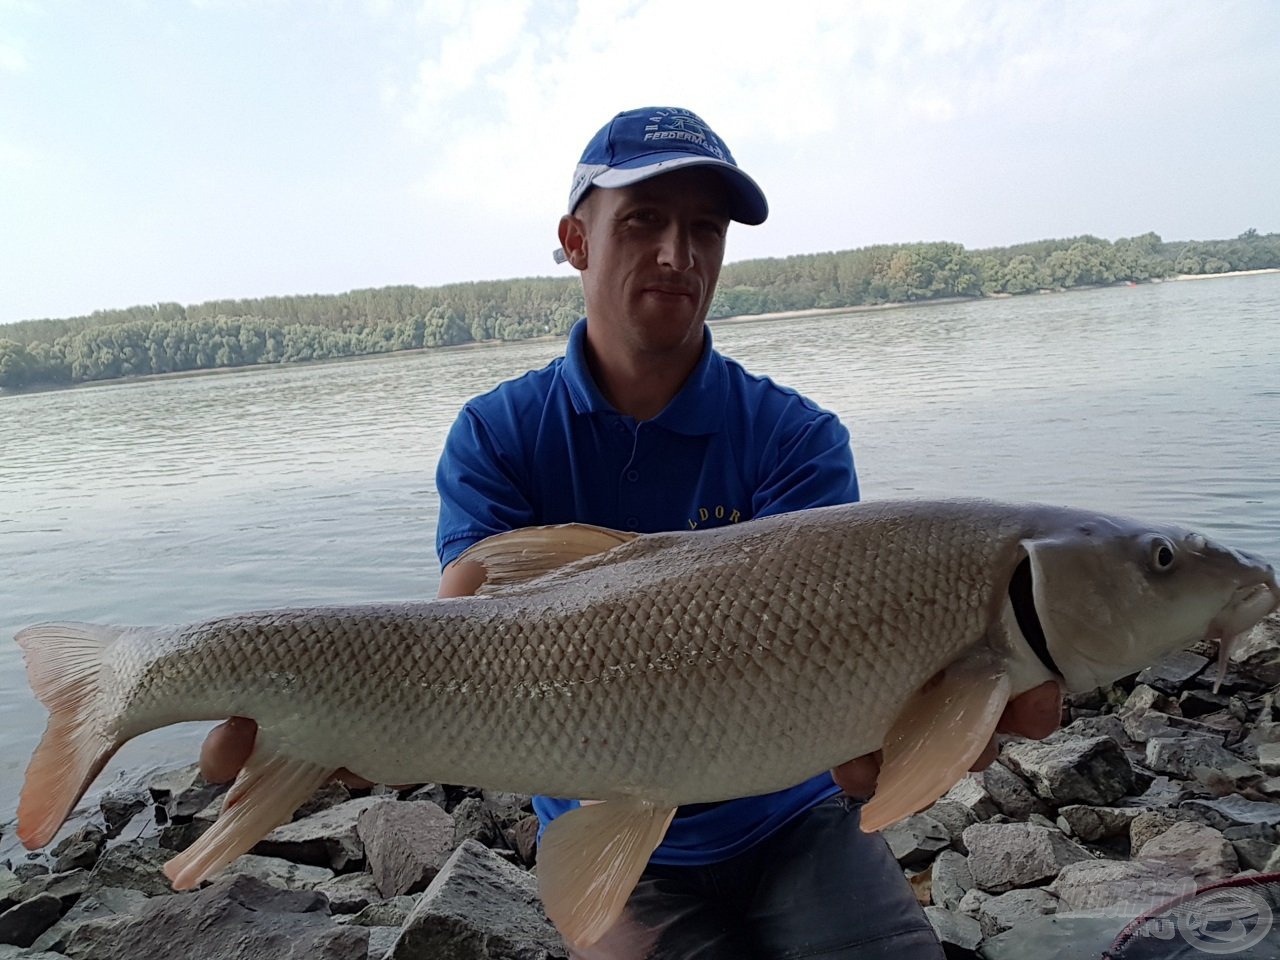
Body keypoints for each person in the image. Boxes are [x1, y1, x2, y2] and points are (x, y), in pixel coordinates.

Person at [201, 106, 1062, 959]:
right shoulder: (498, 433)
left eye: (704, 228)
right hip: (600, 818)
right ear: (576, 240)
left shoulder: (797, 437)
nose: (677, 255)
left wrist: (915, 736)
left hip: (797, 816)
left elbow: (851, 700)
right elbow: (461, 646)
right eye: (643, 220)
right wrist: (344, 720)